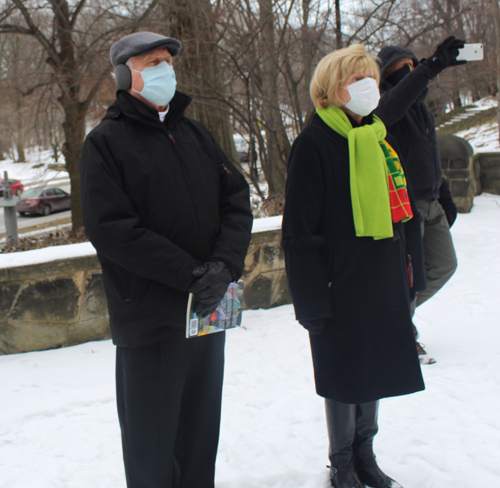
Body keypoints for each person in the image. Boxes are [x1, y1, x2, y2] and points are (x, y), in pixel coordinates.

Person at [80, 31, 253, 488]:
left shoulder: (194, 132)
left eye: (167, 61)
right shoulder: (105, 142)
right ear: (125, 75)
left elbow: (236, 199)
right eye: (151, 61)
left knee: (199, 438)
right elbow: (112, 230)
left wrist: (223, 266)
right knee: (152, 447)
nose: (164, 69)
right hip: (151, 319)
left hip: (206, 313)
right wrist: (189, 273)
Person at [282, 44, 426, 488]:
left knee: (376, 369)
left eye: (373, 79)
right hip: (337, 283)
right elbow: (298, 234)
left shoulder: (375, 136)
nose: (370, 88)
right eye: (357, 79)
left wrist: (411, 275)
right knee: (344, 376)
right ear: (331, 89)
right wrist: (311, 301)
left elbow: (402, 215)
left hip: (380, 278)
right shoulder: (314, 143)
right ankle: (342, 462)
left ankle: (366, 454)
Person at [375, 37, 465, 364]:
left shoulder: (423, 111)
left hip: (432, 203)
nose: (408, 71)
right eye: (401, 68)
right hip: (405, 207)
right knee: (409, 279)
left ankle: (389, 314)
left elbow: (432, 155)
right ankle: (401, 334)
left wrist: (445, 196)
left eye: (411, 65)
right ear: (386, 75)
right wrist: (430, 67)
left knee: (444, 265)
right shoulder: (384, 106)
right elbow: (392, 105)